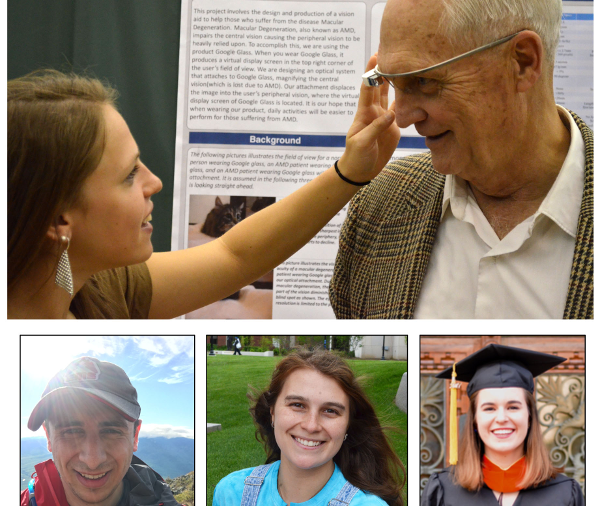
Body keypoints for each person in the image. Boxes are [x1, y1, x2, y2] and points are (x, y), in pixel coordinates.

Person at [330, 0, 593, 319]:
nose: (401, 118)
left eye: (424, 82)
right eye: (391, 82)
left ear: (522, 61)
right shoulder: (377, 209)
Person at [7, 66, 397, 318]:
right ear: (59, 218)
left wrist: (349, 172)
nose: (153, 182)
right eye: (129, 175)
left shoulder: (96, 287)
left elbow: (234, 255)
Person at [207, 348, 407, 506]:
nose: (311, 425)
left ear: (348, 424)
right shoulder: (232, 494)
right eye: (297, 405)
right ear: (273, 412)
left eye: (330, 410)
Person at [420, 343, 585, 506]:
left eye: (513, 407)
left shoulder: (567, 496)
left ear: (530, 416)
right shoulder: (443, 492)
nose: (501, 418)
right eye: (489, 408)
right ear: (475, 419)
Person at [20, 357, 194, 506]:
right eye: (71, 431)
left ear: (135, 436)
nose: (92, 459)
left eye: (111, 431)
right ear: (48, 437)